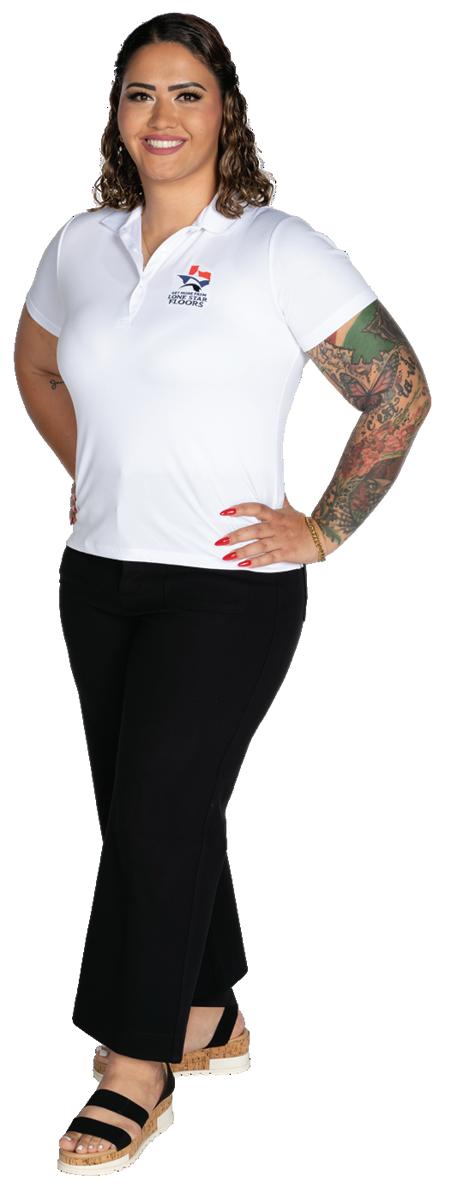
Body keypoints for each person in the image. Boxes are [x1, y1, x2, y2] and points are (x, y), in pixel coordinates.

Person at [14, 12, 432, 1177]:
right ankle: (207, 1005)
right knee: (151, 806)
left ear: (226, 113)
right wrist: (88, 465)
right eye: (140, 93)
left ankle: (136, 1059)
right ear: (116, 113)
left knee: (156, 807)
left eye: (187, 93)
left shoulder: (276, 248)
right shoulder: (81, 245)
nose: (163, 115)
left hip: (226, 592)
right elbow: (36, 361)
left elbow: (398, 390)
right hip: (99, 578)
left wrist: (322, 527)